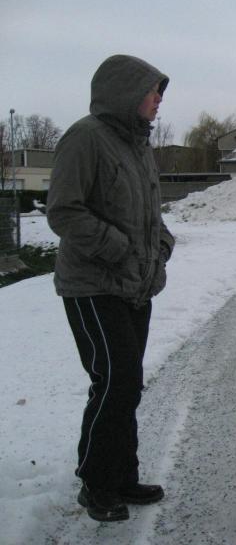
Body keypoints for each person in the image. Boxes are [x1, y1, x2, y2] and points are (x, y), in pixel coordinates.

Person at [46, 55, 174, 522]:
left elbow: (149, 212)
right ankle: (96, 483)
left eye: (160, 92)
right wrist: (117, 247)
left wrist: (162, 243)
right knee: (114, 381)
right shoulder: (85, 138)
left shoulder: (138, 146)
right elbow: (63, 210)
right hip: (93, 284)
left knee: (127, 384)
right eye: (153, 91)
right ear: (126, 92)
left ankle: (121, 476)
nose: (158, 100)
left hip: (135, 285)